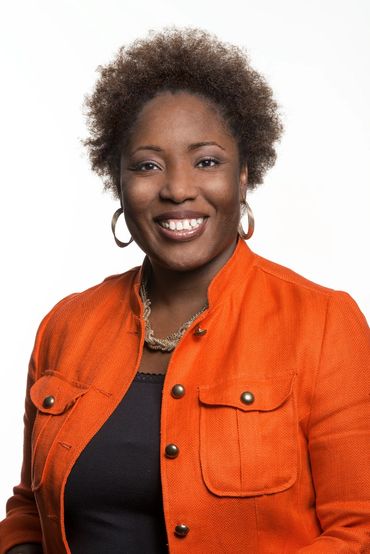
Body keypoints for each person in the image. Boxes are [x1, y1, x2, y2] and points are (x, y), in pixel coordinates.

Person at [1, 27, 369, 554]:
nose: (176, 188)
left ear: (243, 176)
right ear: (118, 180)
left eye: (206, 161)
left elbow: (360, 530)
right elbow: (28, 510)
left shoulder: (325, 322)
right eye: (148, 165)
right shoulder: (66, 325)